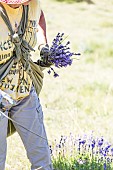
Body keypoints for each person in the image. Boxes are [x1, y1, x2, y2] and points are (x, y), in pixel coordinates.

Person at [0, 0, 53, 169]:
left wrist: (43, 43)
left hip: (25, 93)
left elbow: (39, 16)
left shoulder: (33, 4)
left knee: (42, 161)